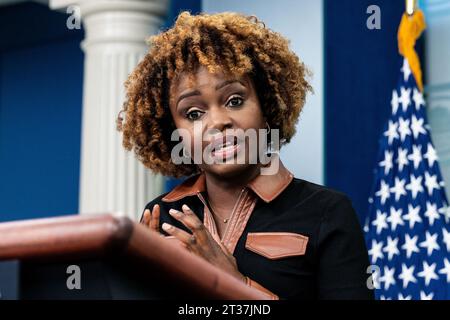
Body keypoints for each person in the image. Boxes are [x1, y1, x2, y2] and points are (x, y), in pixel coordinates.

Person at [116, 11, 373, 300]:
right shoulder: (162, 217)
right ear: (173, 132)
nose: (217, 123)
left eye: (235, 100)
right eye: (194, 113)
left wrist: (234, 285)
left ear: (266, 107)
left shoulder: (327, 211)